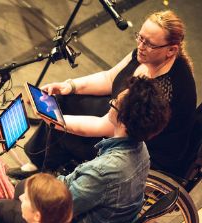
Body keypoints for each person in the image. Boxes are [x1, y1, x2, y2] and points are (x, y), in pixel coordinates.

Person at [0, 76, 171, 223]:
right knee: (24, 187)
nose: (110, 104)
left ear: (122, 119)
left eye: (114, 103)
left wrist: (34, 197)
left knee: (0, 209)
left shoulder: (105, 170)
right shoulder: (141, 150)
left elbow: (59, 209)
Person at [11, 10, 195, 178]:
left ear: (171, 50)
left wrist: (56, 121)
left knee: (64, 123)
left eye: (149, 43)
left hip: (140, 147)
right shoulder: (148, 53)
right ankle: (38, 163)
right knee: (63, 99)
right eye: (140, 38)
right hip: (118, 115)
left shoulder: (163, 90)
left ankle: (49, 175)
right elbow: (109, 79)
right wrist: (70, 86)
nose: (141, 46)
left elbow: (107, 126)